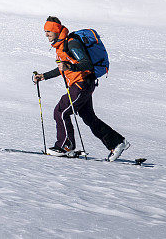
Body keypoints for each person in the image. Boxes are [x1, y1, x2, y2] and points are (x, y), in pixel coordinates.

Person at [33, 16, 129, 161]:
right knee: (88, 117)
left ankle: (65, 146)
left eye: (48, 31)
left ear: (56, 30)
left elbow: (86, 64)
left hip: (81, 84)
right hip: (82, 84)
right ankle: (117, 143)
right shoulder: (61, 45)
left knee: (61, 111)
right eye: (45, 31)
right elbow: (63, 68)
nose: (46, 34)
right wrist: (44, 76)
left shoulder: (71, 44)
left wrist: (69, 66)